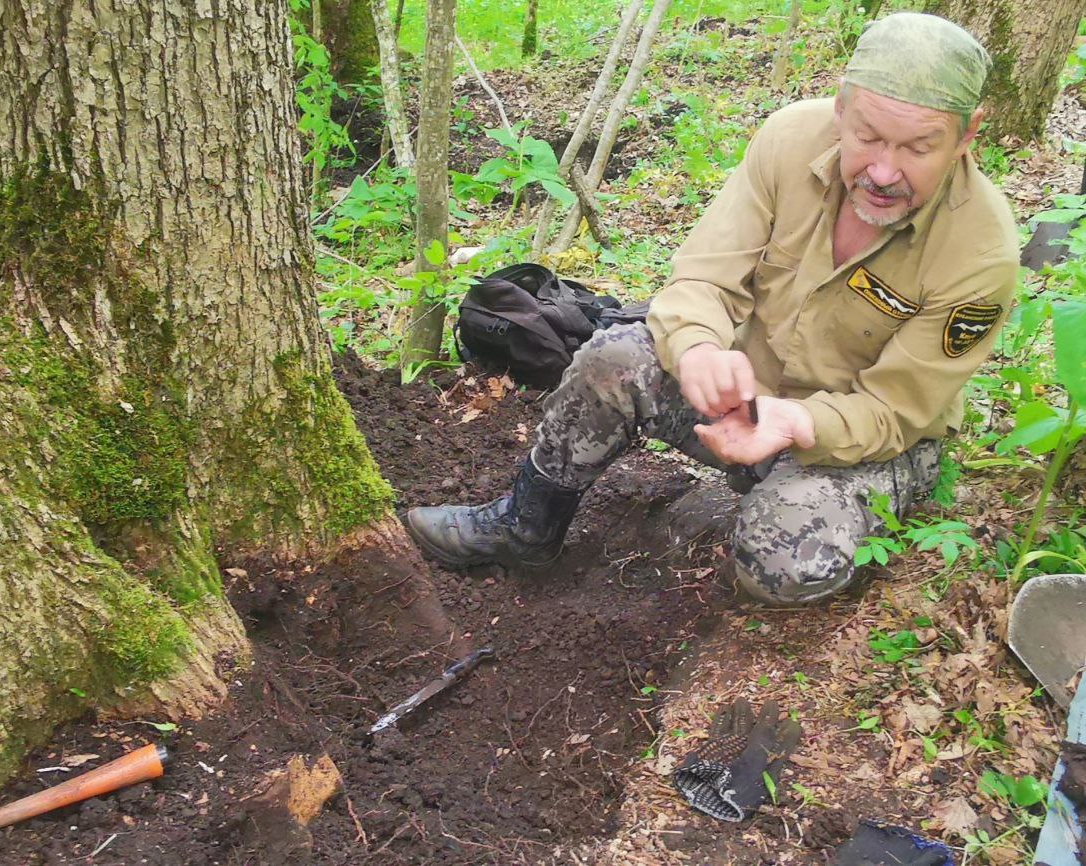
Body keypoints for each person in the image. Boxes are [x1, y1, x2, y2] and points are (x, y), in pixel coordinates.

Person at [404, 12, 1018, 605]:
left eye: (918, 147)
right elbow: (702, 278)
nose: (884, 171)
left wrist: (797, 425)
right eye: (868, 136)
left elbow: (894, 412)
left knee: (784, 561)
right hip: (744, 400)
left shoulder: (979, 251)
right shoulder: (789, 141)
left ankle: (803, 504)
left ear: (967, 135)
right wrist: (697, 347)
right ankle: (524, 526)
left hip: (862, 438)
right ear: (841, 107)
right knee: (615, 356)